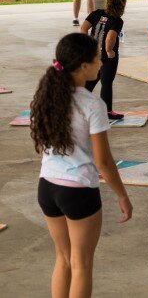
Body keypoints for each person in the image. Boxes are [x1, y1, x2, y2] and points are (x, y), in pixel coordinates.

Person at [30, 33, 133, 298]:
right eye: (97, 58)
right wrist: (122, 195)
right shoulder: (92, 104)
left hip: (47, 187)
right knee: (82, 265)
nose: (101, 62)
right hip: (77, 192)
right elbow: (104, 161)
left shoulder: (48, 95)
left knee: (63, 259)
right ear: (83, 65)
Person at [81, 0, 127, 121]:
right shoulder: (117, 20)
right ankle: (107, 111)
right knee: (106, 83)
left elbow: (83, 28)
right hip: (107, 58)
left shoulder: (96, 13)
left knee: (89, 82)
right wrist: (109, 50)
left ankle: (79, 108)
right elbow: (110, 37)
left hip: (93, 54)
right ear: (122, 5)